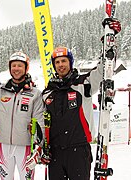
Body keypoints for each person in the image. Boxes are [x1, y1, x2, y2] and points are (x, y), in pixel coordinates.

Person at [41, 18, 121, 180]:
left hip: (79, 150)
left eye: (64, 61)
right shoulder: (48, 92)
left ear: (70, 63)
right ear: (54, 65)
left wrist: (109, 43)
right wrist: (43, 147)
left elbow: (104, 69)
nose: (61, 65)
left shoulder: (84, 82)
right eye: (57, 62)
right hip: (55, 152)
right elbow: (43, 121)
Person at [0, 51, 45, 180]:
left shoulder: (35, 93)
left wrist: (39, 147)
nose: (16, 69)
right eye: (13, 65)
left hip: (25, 147)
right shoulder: (0, 90)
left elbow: (40, 122)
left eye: (20, 65)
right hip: (3, 145)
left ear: (26, 68)